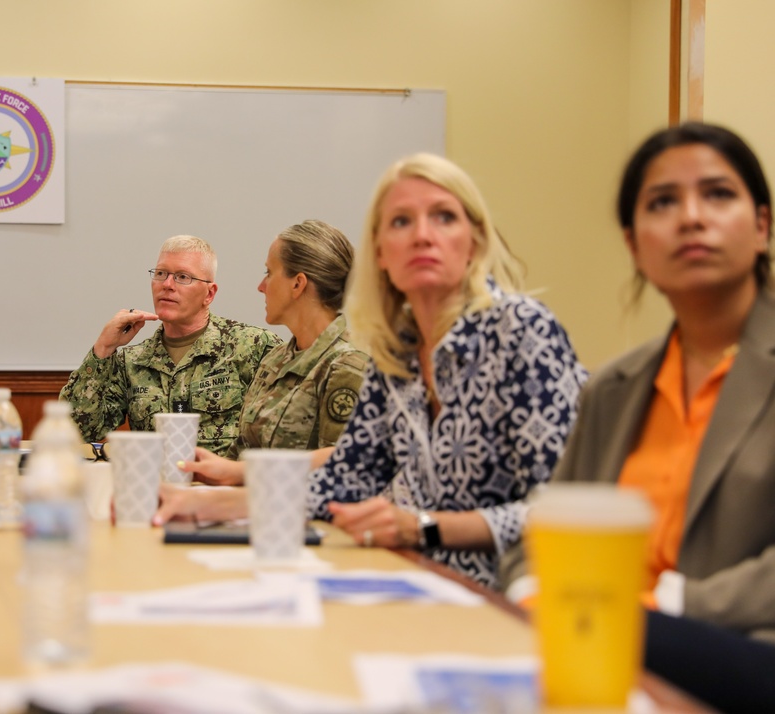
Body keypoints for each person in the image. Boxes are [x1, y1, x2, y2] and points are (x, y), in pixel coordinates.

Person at [157, 154, 587, 588]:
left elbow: (565, 509)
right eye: (401, 222)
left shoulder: (521, 331)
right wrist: (214, 505)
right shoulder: (395, 351)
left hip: (506, 593)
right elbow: (345, 478)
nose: (422, 235)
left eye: (444, 217)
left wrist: (422, 527)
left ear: (473, 240)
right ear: (380, 252)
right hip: (401, 578)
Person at [499, 122, 775, 710]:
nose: (691, 217)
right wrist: (529, 591)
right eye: (663, 202)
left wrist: (671, 606)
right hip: (608, 654)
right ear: (634, 244)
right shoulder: (615, 387)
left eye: (718, 194)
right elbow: (548, 528)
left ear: (762, 226)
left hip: (744, 656)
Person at [176, 220, 369, 486]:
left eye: (269, 273)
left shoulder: (348, 364)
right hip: (244, 512)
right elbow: (241, 454)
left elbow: (343, 471)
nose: (261, 286)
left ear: (297, 284)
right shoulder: (276, 358)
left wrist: (233, 479)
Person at [60, 235, 280, 456]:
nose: (167, 285)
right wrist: (103, 349)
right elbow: (77, 431)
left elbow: (282, 435)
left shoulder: (253, 347)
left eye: (182, 277)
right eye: (160, 274)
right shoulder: (133, 361)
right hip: (153, 484)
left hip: (223, 486)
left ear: (209, 294)